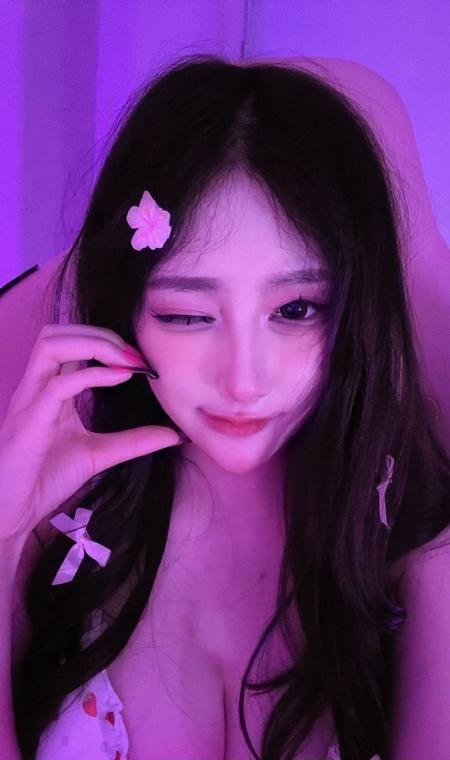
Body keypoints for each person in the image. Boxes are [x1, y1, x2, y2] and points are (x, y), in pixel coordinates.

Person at [1, 53, 449, 760]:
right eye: (187, 315)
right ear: (124, 312)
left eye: (296, 309)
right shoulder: (43, 535)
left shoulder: (417, 556)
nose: (243, 380)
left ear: (356, 310)